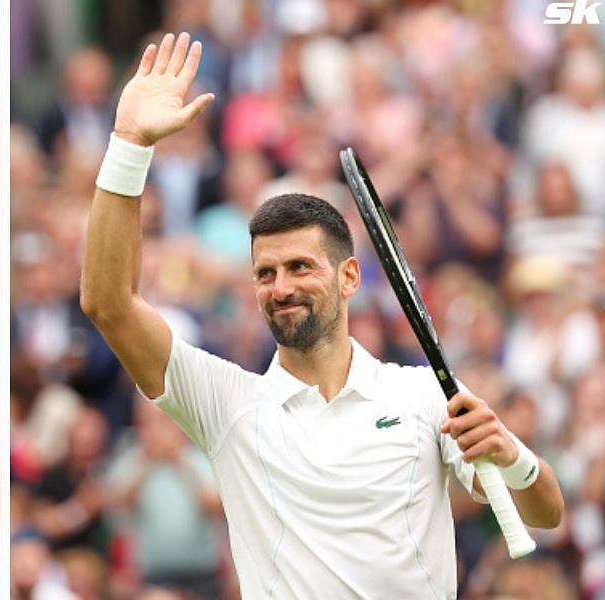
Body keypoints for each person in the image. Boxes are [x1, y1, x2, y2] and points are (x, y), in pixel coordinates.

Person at [80, 32, 564, 598]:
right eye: (265, 273)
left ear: (350, 277)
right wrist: (130, 144)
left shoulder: (422, 395)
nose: (281, 286)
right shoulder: (227, 404)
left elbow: (546, 510)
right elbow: (108, 304)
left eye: (300, 267)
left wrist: (513, 456)